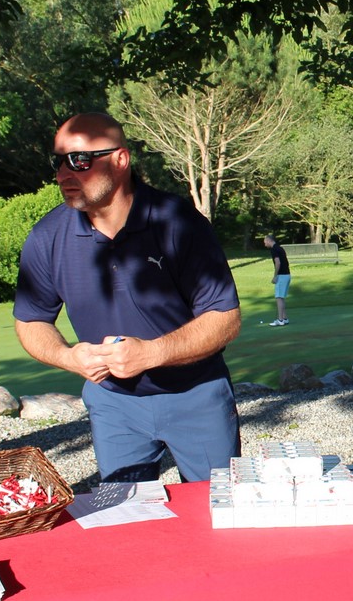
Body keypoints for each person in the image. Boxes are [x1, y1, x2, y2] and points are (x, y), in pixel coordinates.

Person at [13, 112, 242, 484]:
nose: (63, 174)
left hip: (196, 394)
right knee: (124, 512)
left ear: (120, 159)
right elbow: (31, 319)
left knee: (216, 506)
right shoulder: (47, 236)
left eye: (79, 160)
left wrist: (151, 353)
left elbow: (225, 318)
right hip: (113, 403)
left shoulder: (178, 222)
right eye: (58, 162)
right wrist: (68, 357)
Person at [263, 233, 290, 326]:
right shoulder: (280, 248)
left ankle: (280, 320)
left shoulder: (274, 249)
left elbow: (278, 263)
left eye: (265, 242)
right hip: (287, 275)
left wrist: (275, 276)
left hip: (282, 275)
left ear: (269, 240)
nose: (265, 244)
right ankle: (285, 318)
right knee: (281, 297)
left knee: (278, 297)